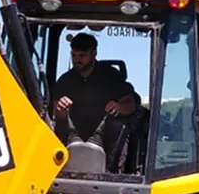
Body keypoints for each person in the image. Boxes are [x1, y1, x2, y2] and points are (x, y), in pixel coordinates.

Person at [50, 32, 138, 170]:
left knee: (118, 126)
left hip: (106, 134)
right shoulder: (65, 80)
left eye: (82, 56)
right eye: (74, 55)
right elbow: (57, 114)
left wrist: (119, 107)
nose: (77, 60)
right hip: (72, 132)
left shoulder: (111, 76)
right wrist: (60, 108)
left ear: (94, 53)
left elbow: (131, 105)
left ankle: (112, 173)